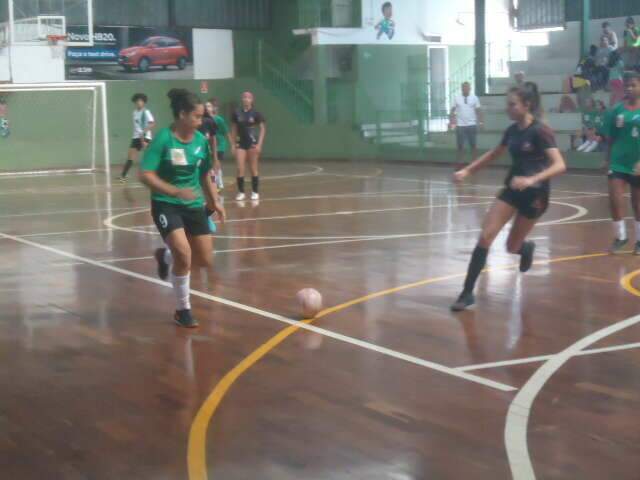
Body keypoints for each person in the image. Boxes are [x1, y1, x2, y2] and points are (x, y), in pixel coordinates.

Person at [450, 82, 567, 311]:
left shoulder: (540, 131)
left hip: (536, 195)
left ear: (527, 105)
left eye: (512, 104)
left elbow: (560, 165)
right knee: (486, 236)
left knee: (511, 247)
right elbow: (494, 154)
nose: (508, 108)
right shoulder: (512, 131)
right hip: (512, 189)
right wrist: (467, 170)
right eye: (508, 104)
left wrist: (532, 179)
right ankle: (466, 293)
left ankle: (525, 248)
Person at [139, 89, 226, 328]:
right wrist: (174, 191)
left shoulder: (200, 141)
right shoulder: (163, 139)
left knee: (205, 259)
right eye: (197, 117)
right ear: (182, 114)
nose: (200, 122)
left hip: (194, 205)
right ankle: (183, 310)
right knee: (184, 253)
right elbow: (145, 174)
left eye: (201, 117)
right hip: (166, 204)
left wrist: (215, 200)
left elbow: (204, 174)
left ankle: (165, 257)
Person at [602, 73, 640, 255]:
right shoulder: (616, 111)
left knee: (638, 203)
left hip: (638, 163)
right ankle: (620, 237)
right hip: (618, 162)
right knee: (615, 198)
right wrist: (607, 160)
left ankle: (639, 241)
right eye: (627, 86)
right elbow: (610, 138)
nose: (629, 88)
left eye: (633, 85)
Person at [231, 92, 266, 201]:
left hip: (252, 143)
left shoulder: (256, 113)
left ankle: (255, 192)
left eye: (248, 97)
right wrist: (233, 144)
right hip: (240, 144)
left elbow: (262, 129)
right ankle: (241, 192)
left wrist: (259, 144)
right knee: (239, 168)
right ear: (242, 99)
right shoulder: (236, 113)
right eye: (244, 97)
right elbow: (234, 129)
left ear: (252, 100)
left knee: (253, 168)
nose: (246, 99)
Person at [119, 93, 155, 182]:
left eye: (141, 101)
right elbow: (137, 126)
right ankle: (123, 176)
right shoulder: (134, 112)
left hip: (145, 137)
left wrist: (144, 133)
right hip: (135, 137)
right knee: (130, 156)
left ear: (144, 102)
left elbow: (152, 123)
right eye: (137, 101)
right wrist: (138, 135)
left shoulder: (146, 112)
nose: (139, 103)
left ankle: (155, 176)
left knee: (149, 157)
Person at [449, 82, 484, 167]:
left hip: (472, 125)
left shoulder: (474, 98)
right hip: (460, 125)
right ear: (461, 88)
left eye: (467, 87)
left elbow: (479, 110)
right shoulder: (457, 98)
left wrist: (481, 122)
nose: (465, 89)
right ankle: (459, 165)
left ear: (470, 88)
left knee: (473, 145)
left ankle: (475, 165)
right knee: (460, 146)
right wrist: (452, 121)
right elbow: (452, 111)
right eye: (463, 87)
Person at [207, 98, 231, 191]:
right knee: (213, 167)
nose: (207, 108)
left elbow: (226, 131)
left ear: (214, 108)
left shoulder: (219, 119)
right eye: (206, 106)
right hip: (209, 146)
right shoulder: (205, 120)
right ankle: (217, 183)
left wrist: (232, 144)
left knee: (215, 166)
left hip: (219, 146)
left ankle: (216, 184)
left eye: (209, 106)